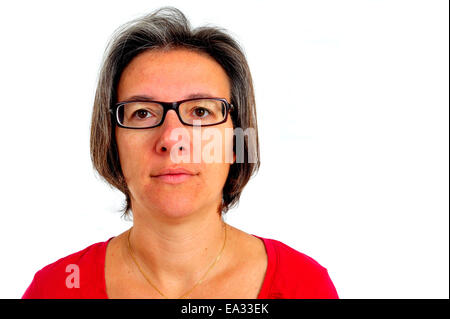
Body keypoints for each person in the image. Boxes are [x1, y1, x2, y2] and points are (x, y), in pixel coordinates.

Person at [22, 7, 338, 299]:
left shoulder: (303, 285)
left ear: (237, 138)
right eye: (142, 113)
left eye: (200, 111)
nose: (172, 139)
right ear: (111, 139)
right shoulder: (56, 288)